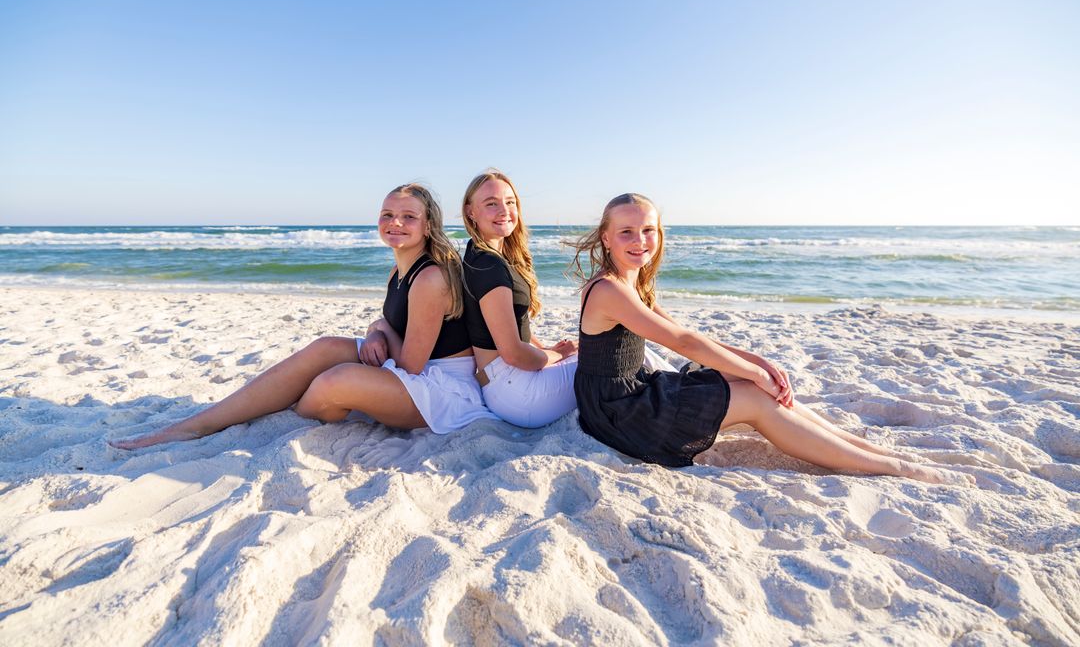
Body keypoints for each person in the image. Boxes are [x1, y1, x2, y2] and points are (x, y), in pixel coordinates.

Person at [569, 193, 970, 484]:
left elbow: (688, 333)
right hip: (620, 412)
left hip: (632, 392)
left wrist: (755, 362)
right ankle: (892, 467)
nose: (640, 240)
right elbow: (681, 343)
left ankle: (862, 448)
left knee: (752, 381)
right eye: (626, 232)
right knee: (759, 398)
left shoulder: (629, 281)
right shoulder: (609, 290)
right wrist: (755, 375)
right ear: (605, 238)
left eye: (648, 230)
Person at [111, 184, 498, 449]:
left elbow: (412, 364)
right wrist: (376, 329)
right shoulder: (399, 269)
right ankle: (205, 422)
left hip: (440, 388)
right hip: (413, 372)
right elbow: (394, 332)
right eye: (387, 214)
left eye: (408, 217)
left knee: (332, 384)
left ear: (428, 225)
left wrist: (379, 332)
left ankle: (294, 405)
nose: (395, 223)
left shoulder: (429, 276)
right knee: (325, 347)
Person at [460, 170, 578, 428]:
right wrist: (557, 354)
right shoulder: (489, 265)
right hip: (519, 394)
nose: (504, 210)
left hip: (504, 385)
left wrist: (545, 349)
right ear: (471, 212)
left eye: (510, 202)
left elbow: (514, 325)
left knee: (603, 351)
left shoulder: (478, 253)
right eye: (491, 203)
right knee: (620, 351)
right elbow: (513, 352)